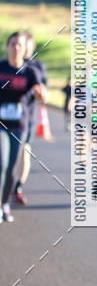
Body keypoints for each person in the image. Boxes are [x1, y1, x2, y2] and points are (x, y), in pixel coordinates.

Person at [0, 31, 48, 223]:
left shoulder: (30, 71)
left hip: (20, 125)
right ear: (7, 47)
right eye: (13, 44)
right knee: (1, 163)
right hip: (1, 124)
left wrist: (41, 94)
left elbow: (43, 94)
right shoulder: (1, 67)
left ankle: (5, 203)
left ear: (24, 48)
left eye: (19, 44)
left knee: (12, 168)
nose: (16, 48)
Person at [13, 32, 49, 206]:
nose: (22, 47)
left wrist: (41, 94)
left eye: (25, 44)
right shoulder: (10, 64)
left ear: (32, 46)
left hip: (28, 117)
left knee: (24, 153)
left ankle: (17, 188)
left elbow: (45, 93)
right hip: (7, 118)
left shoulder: (37, 67)